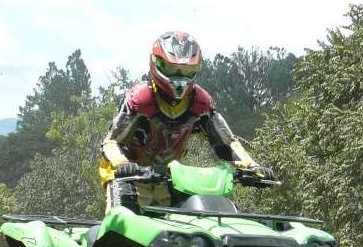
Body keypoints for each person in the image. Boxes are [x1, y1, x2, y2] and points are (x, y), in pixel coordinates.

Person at [99, 30, 273, 210]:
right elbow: (111, 141)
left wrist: (253, 167)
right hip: (126, 176)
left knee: (187, 226)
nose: (179, 78)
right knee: (124, 225)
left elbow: (227, 143)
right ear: (156, 63)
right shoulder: (141, 99)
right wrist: (123, 164)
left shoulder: (201, 102)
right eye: (172, 69)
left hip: (169, 175)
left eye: (187, 71)